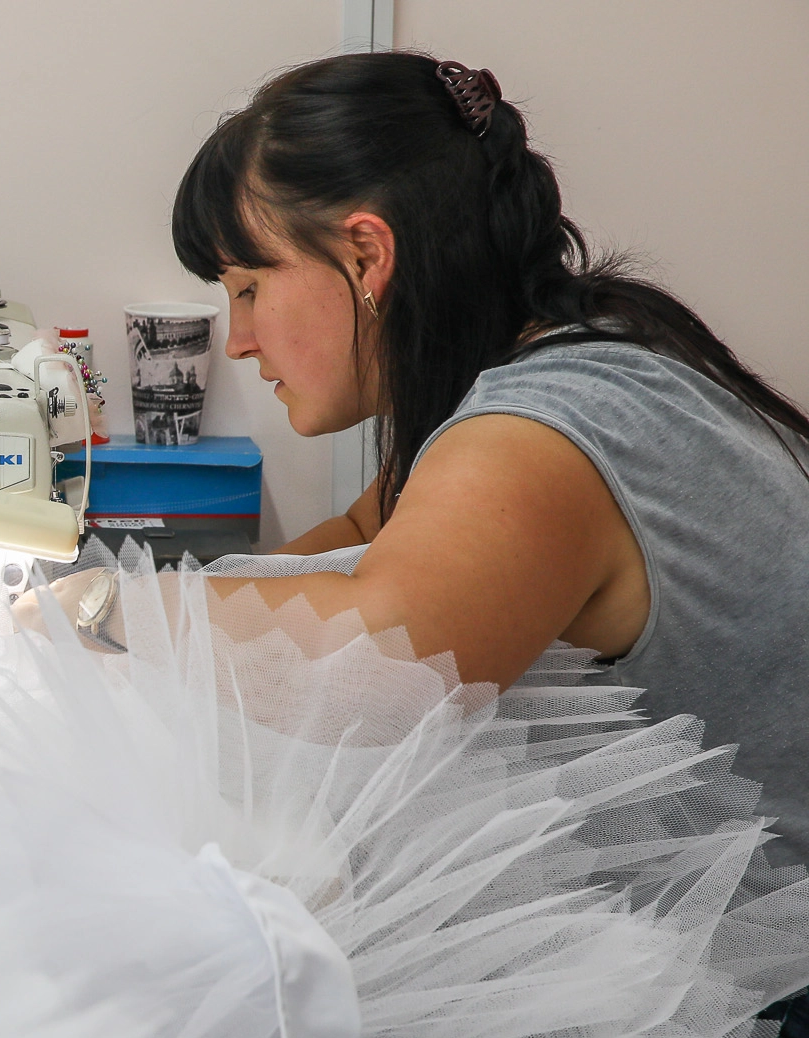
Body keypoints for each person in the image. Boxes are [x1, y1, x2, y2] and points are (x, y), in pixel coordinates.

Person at [114, 51, 809, 873]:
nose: (242, 338)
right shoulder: (585, 346)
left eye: (249, 287)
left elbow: (372, 674)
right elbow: (365, 526)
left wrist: (108, 607)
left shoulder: (537, 433)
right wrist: (195, 605)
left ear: (368, 255)